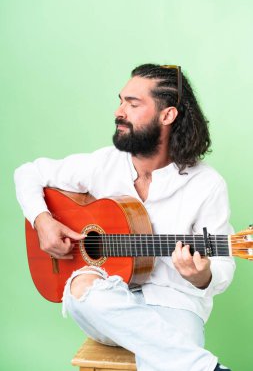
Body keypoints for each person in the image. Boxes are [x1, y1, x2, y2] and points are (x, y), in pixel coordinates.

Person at [14, 64, 235, 371]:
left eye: (133, 104)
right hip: (107, 309)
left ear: (167, 115)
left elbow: (224, 263)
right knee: (83, 288)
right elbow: (28, 173)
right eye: (121, 101)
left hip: (173, 306)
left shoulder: (206, 184)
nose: (120, 111)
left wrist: (201, 277)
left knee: (169, 353)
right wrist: (42, 220)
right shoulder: (104, 163)